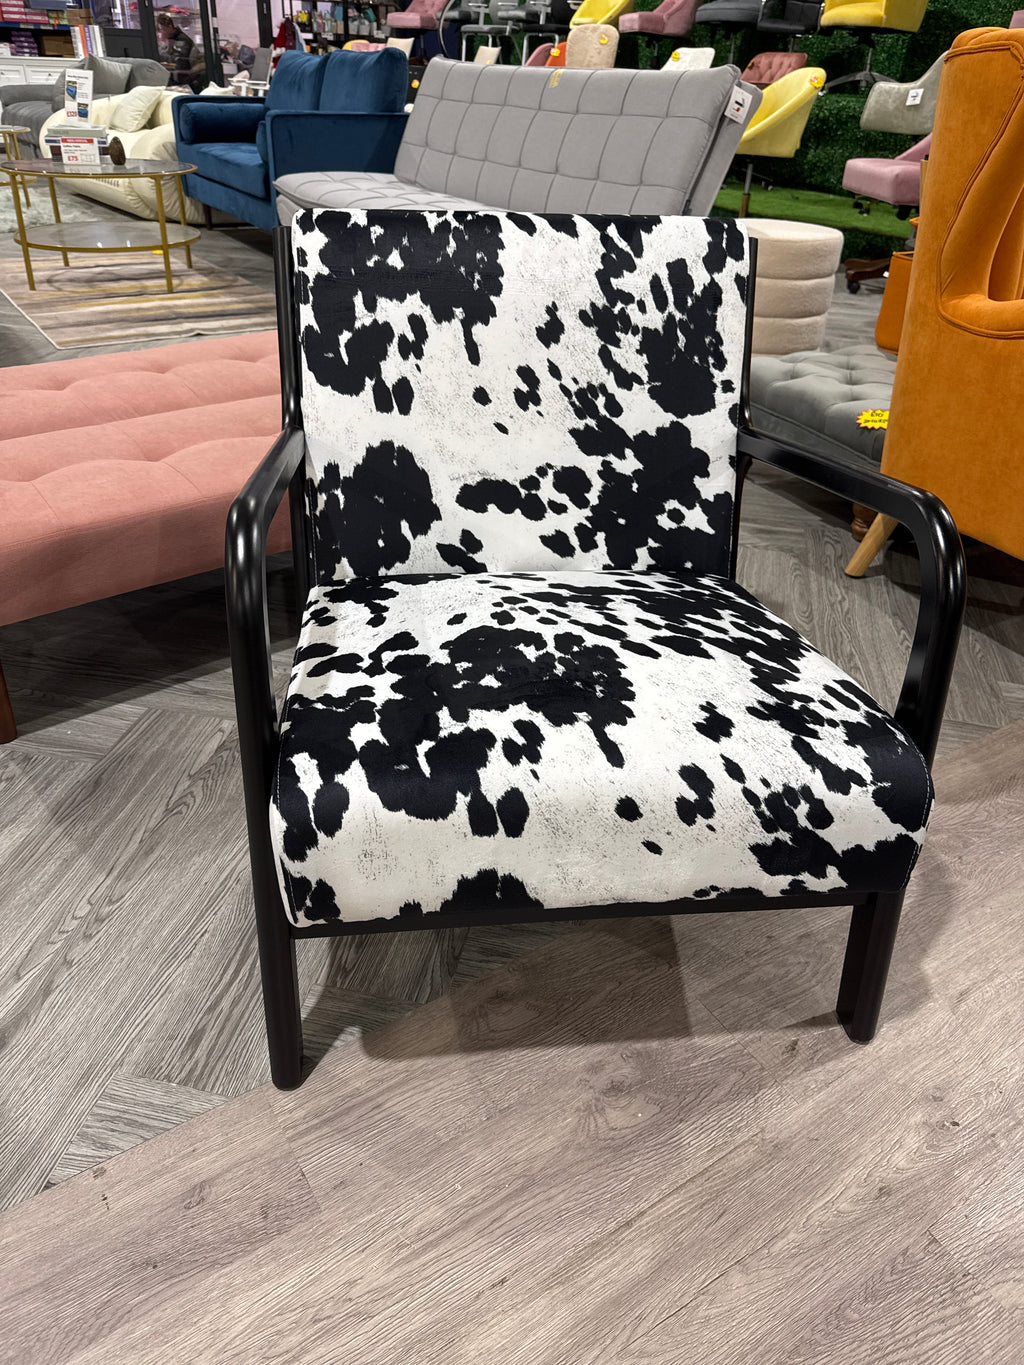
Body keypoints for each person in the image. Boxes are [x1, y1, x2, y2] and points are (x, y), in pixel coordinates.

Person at [156, 13, 197, 86]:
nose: (161, 33)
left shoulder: (181, 40)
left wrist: (161, 55)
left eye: (161, 30)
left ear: (169, 27)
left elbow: (180, 61)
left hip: (183, 77)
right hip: (176, 74)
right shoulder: (171, 38)